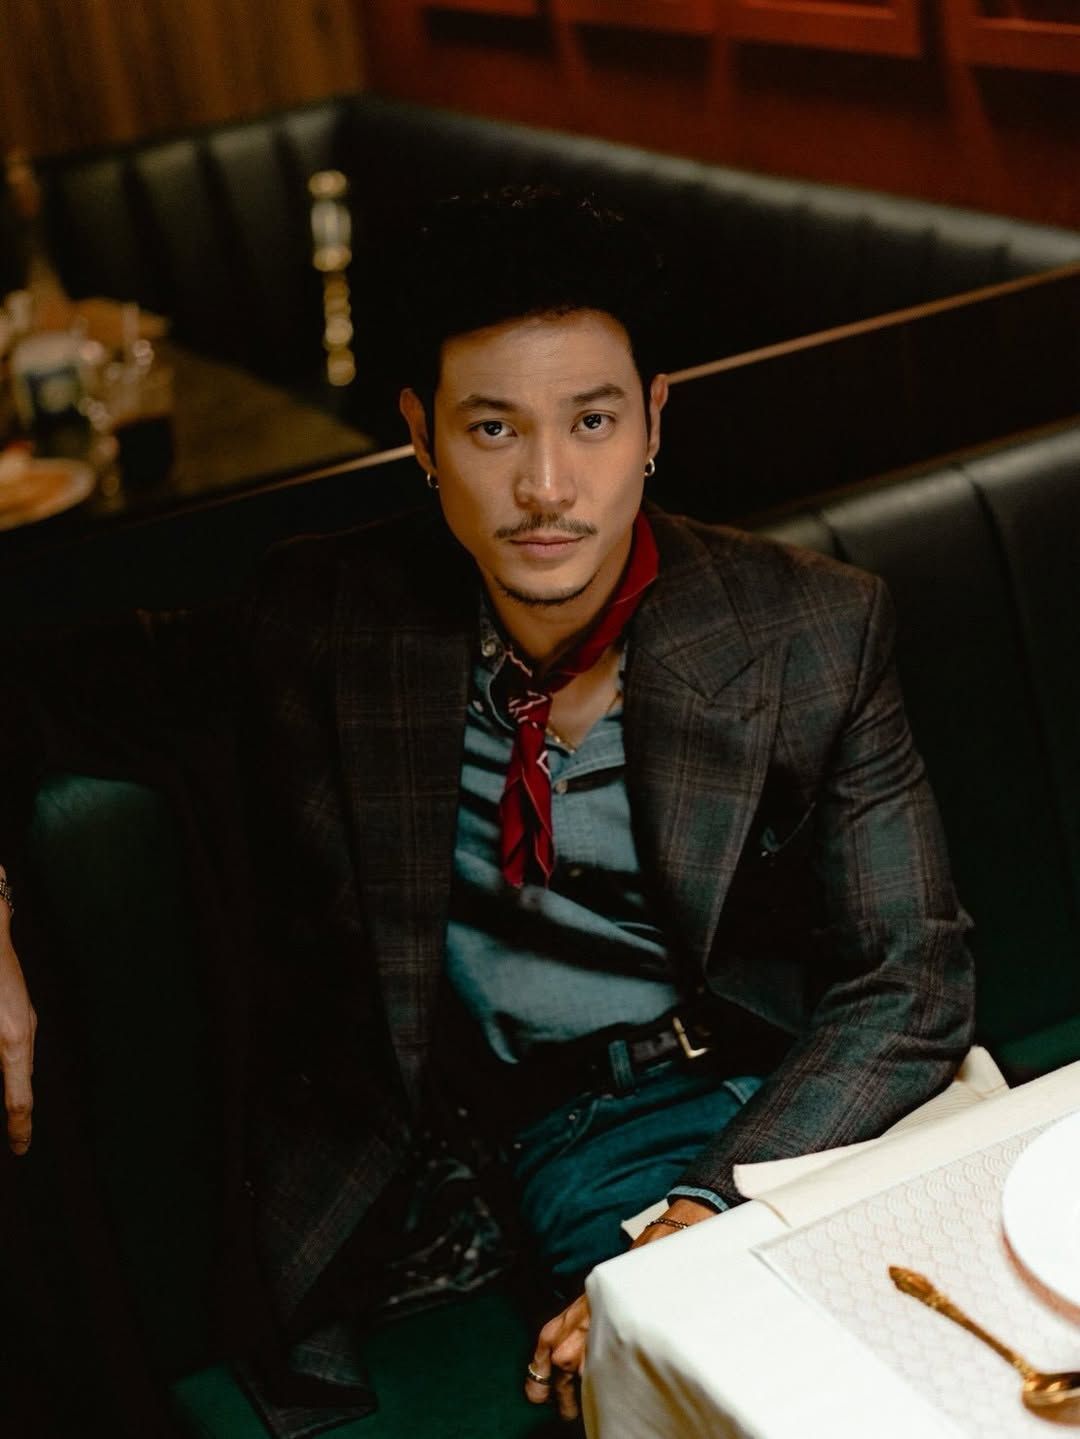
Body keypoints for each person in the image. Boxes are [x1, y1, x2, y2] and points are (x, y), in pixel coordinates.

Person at [0, 189, 974, 1434]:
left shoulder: (811, 625)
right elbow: (34, 687)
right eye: (494, 428)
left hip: (809, 1091)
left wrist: (707, 1208)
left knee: (963, 1361)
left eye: (593, 421)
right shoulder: (328, 622)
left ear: (654, 421)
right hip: (569, 1129)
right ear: (422, 436)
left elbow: (913, 972)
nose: (547, 485)